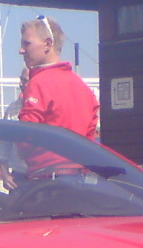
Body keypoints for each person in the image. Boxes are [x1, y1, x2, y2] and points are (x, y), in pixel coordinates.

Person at [16, 15, 99, 179]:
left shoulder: (38, 83)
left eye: (27, 43)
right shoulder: (82, 87)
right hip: (79, 177)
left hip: (48, 179)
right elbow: (90, 136)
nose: (21, 50)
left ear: (48, 44)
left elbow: (26, 136)